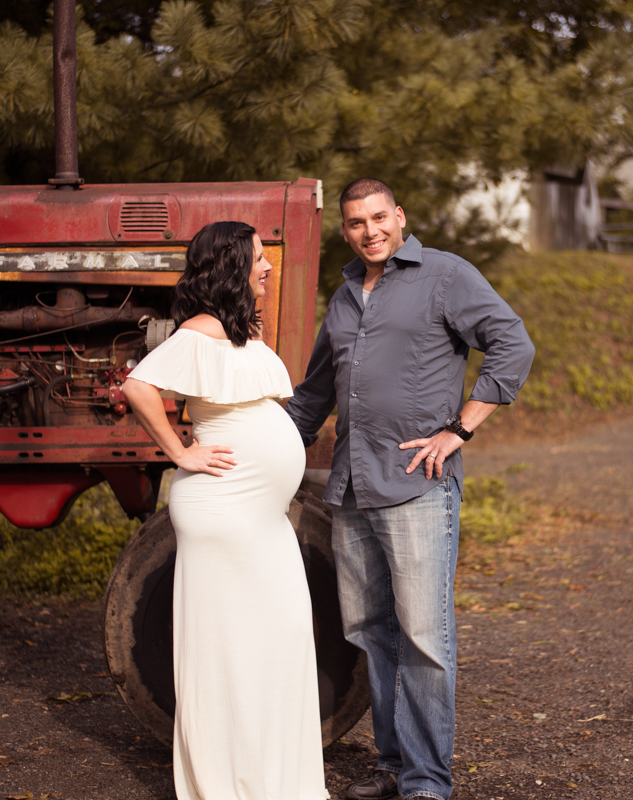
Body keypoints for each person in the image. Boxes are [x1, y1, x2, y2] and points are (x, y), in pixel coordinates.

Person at [285, 178, 535, 800]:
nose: (370, 231)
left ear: (400, 216)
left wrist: (459, 429)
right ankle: (394, 767)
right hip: (351, 487)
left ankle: (428, 781)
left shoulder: (445, 276)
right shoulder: (344, 298)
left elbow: (512, 344)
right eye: (355, 223)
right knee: (370, 634)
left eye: (378, 218)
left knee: (424, 638)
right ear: (344, 230)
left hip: (417, 487)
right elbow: (314, 395)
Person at [123, 221, 328, 800]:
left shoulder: (240, 331)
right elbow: (138, 387)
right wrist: (179, 451)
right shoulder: (200, 331)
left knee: (278, 638)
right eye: (259, 259)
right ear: (232, 267)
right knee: (231, 650)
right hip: (224, 510)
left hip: (259, 519)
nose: (268, 268)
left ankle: (272, 780)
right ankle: (227, 785)